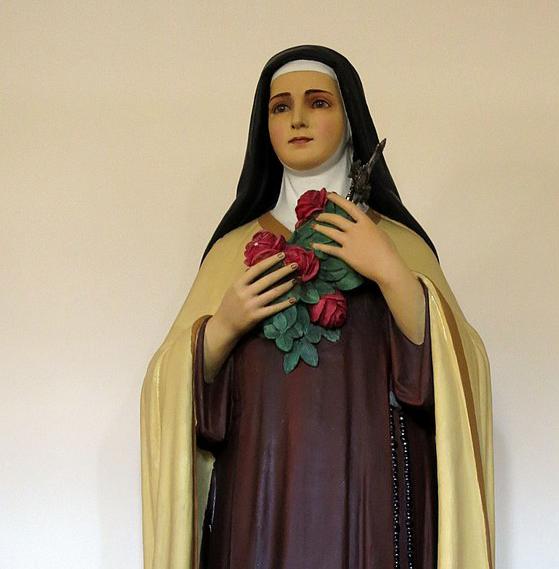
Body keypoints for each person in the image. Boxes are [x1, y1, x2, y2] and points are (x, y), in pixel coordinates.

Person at [140, 45, 495, 569]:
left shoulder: (398, 245)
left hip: (374, 501)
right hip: (260, 499)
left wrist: (392, 273)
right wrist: (221, 329)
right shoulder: (231, 253)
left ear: (351, 122)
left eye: (318, 102)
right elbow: (167, 394)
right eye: (281, 107)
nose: (298, 119)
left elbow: (462, 377)